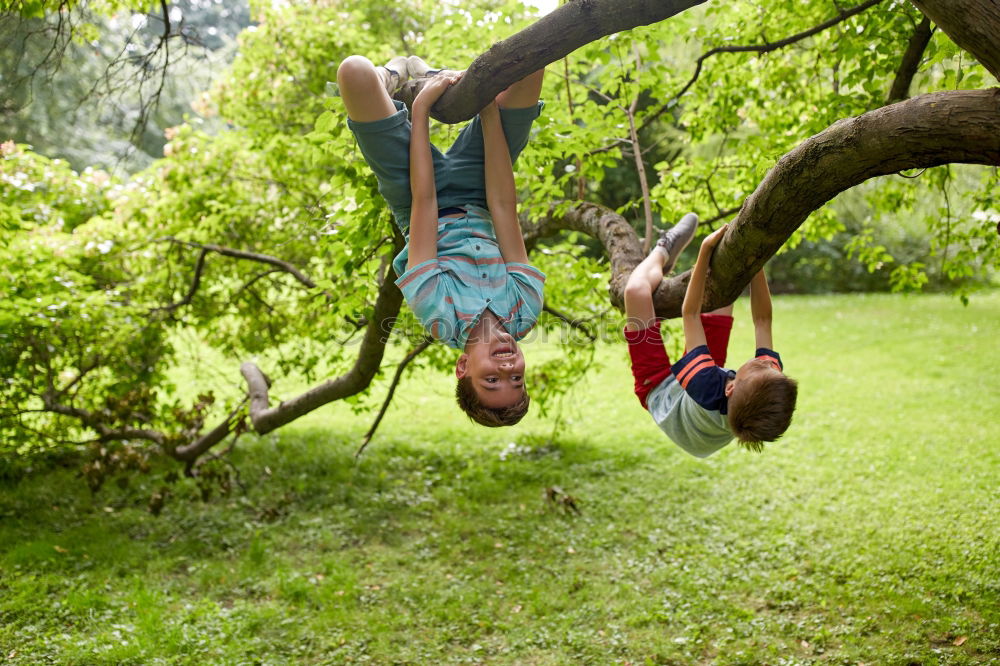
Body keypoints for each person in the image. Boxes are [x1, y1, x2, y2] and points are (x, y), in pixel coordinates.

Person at [336, 54, 545, 426]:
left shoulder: (438, 314)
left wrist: (420, 109)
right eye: (517, 377)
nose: (509, 366)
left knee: (353, 72)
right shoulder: (525, 309)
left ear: (462, 366)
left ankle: (395, 77)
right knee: (532, 65)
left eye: (492, 379)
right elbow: (501, 204)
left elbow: (424, 201)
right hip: (481, 188)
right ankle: (439, 78)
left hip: (414, 192)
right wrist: (487, 110)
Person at [622, 214, 798, 456]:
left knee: (636, 292)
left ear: (730, 387)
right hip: (707, 402)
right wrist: (756, 263)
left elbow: (690, 313)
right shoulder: (766, 380)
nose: (762, 361)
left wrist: (705, 250)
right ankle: (673, 263)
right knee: (722, 297)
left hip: (661, 392)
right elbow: (763, 320)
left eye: (759, 366)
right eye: (770, 367)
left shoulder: (705, 383)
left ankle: (662, 250)